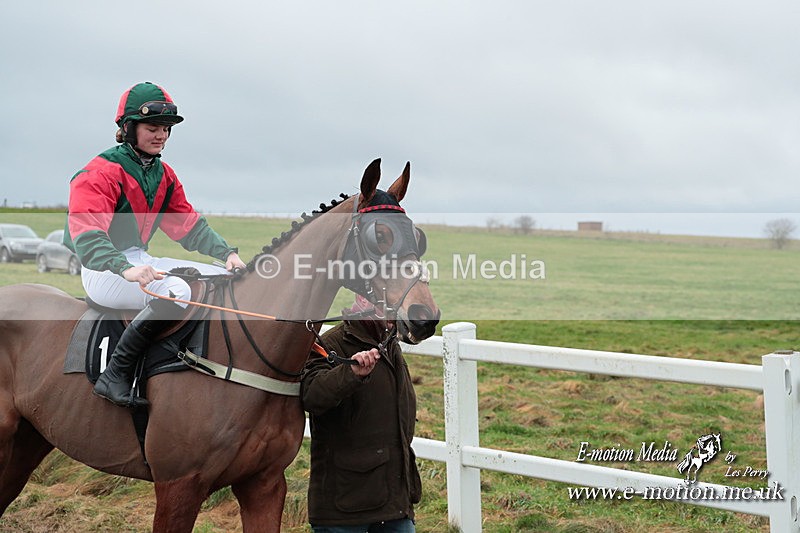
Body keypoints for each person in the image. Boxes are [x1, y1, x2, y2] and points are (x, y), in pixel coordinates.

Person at [64, 81, 246, 408]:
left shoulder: (164, 174)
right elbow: (88, 238)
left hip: (139, 260)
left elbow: (188, 226)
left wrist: (227, 253)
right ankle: (115, 374)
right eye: (152, 128)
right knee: (177, 290)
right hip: (103, 269)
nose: (161, 135)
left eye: (166, 129)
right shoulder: (98, 173)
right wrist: (125, 269)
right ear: (128, 128)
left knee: (221, 278)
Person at [301, 295, 422, 533]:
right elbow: (311, 395)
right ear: (362, 300)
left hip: (395, 504)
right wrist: (351, 374)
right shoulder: (330, 343)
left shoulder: (388, 342)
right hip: (344, 511)